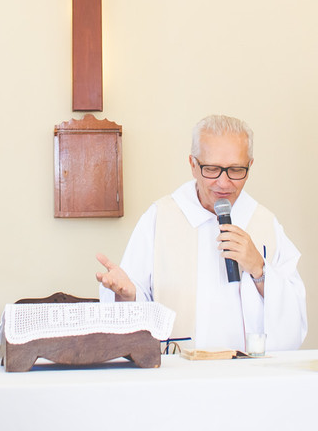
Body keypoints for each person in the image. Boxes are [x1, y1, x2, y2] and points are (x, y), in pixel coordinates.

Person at [95, 114, 307, 352]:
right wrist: (127, 296)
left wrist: (259, 269)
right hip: (179, 370)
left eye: (236, 170)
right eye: (212, 169)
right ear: (193, 165)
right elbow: (134, 300)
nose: (224, 183)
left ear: (250, 166)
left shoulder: (264, 222)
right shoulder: (160, 217)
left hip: (248, 370)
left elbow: (294, 318)